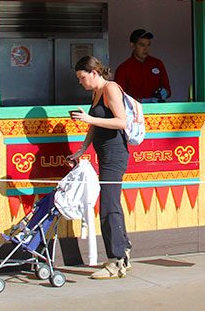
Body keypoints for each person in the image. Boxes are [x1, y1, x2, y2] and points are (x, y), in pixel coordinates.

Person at [67, 56, 132, 279]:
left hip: (115, 154)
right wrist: (82, 149)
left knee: (107, 204)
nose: (81, 82)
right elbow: (94, 125)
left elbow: (121, 122)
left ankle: (115, 261)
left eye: (83, 77)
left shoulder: (110, 89)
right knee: (112, 201)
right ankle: (124, 252)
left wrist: (88, 119)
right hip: (104, 153)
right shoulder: (96, 93)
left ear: (94, 73)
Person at [114, 28, 171, 103]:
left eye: (148, 45)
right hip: (134, 112)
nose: (146, 49)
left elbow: (168, 89)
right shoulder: (123, 69)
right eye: (142, 45)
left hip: (157, 110)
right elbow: (118, 96)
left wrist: (165, 93)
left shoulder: (157, 64)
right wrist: (141, 100)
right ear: (133, 45)